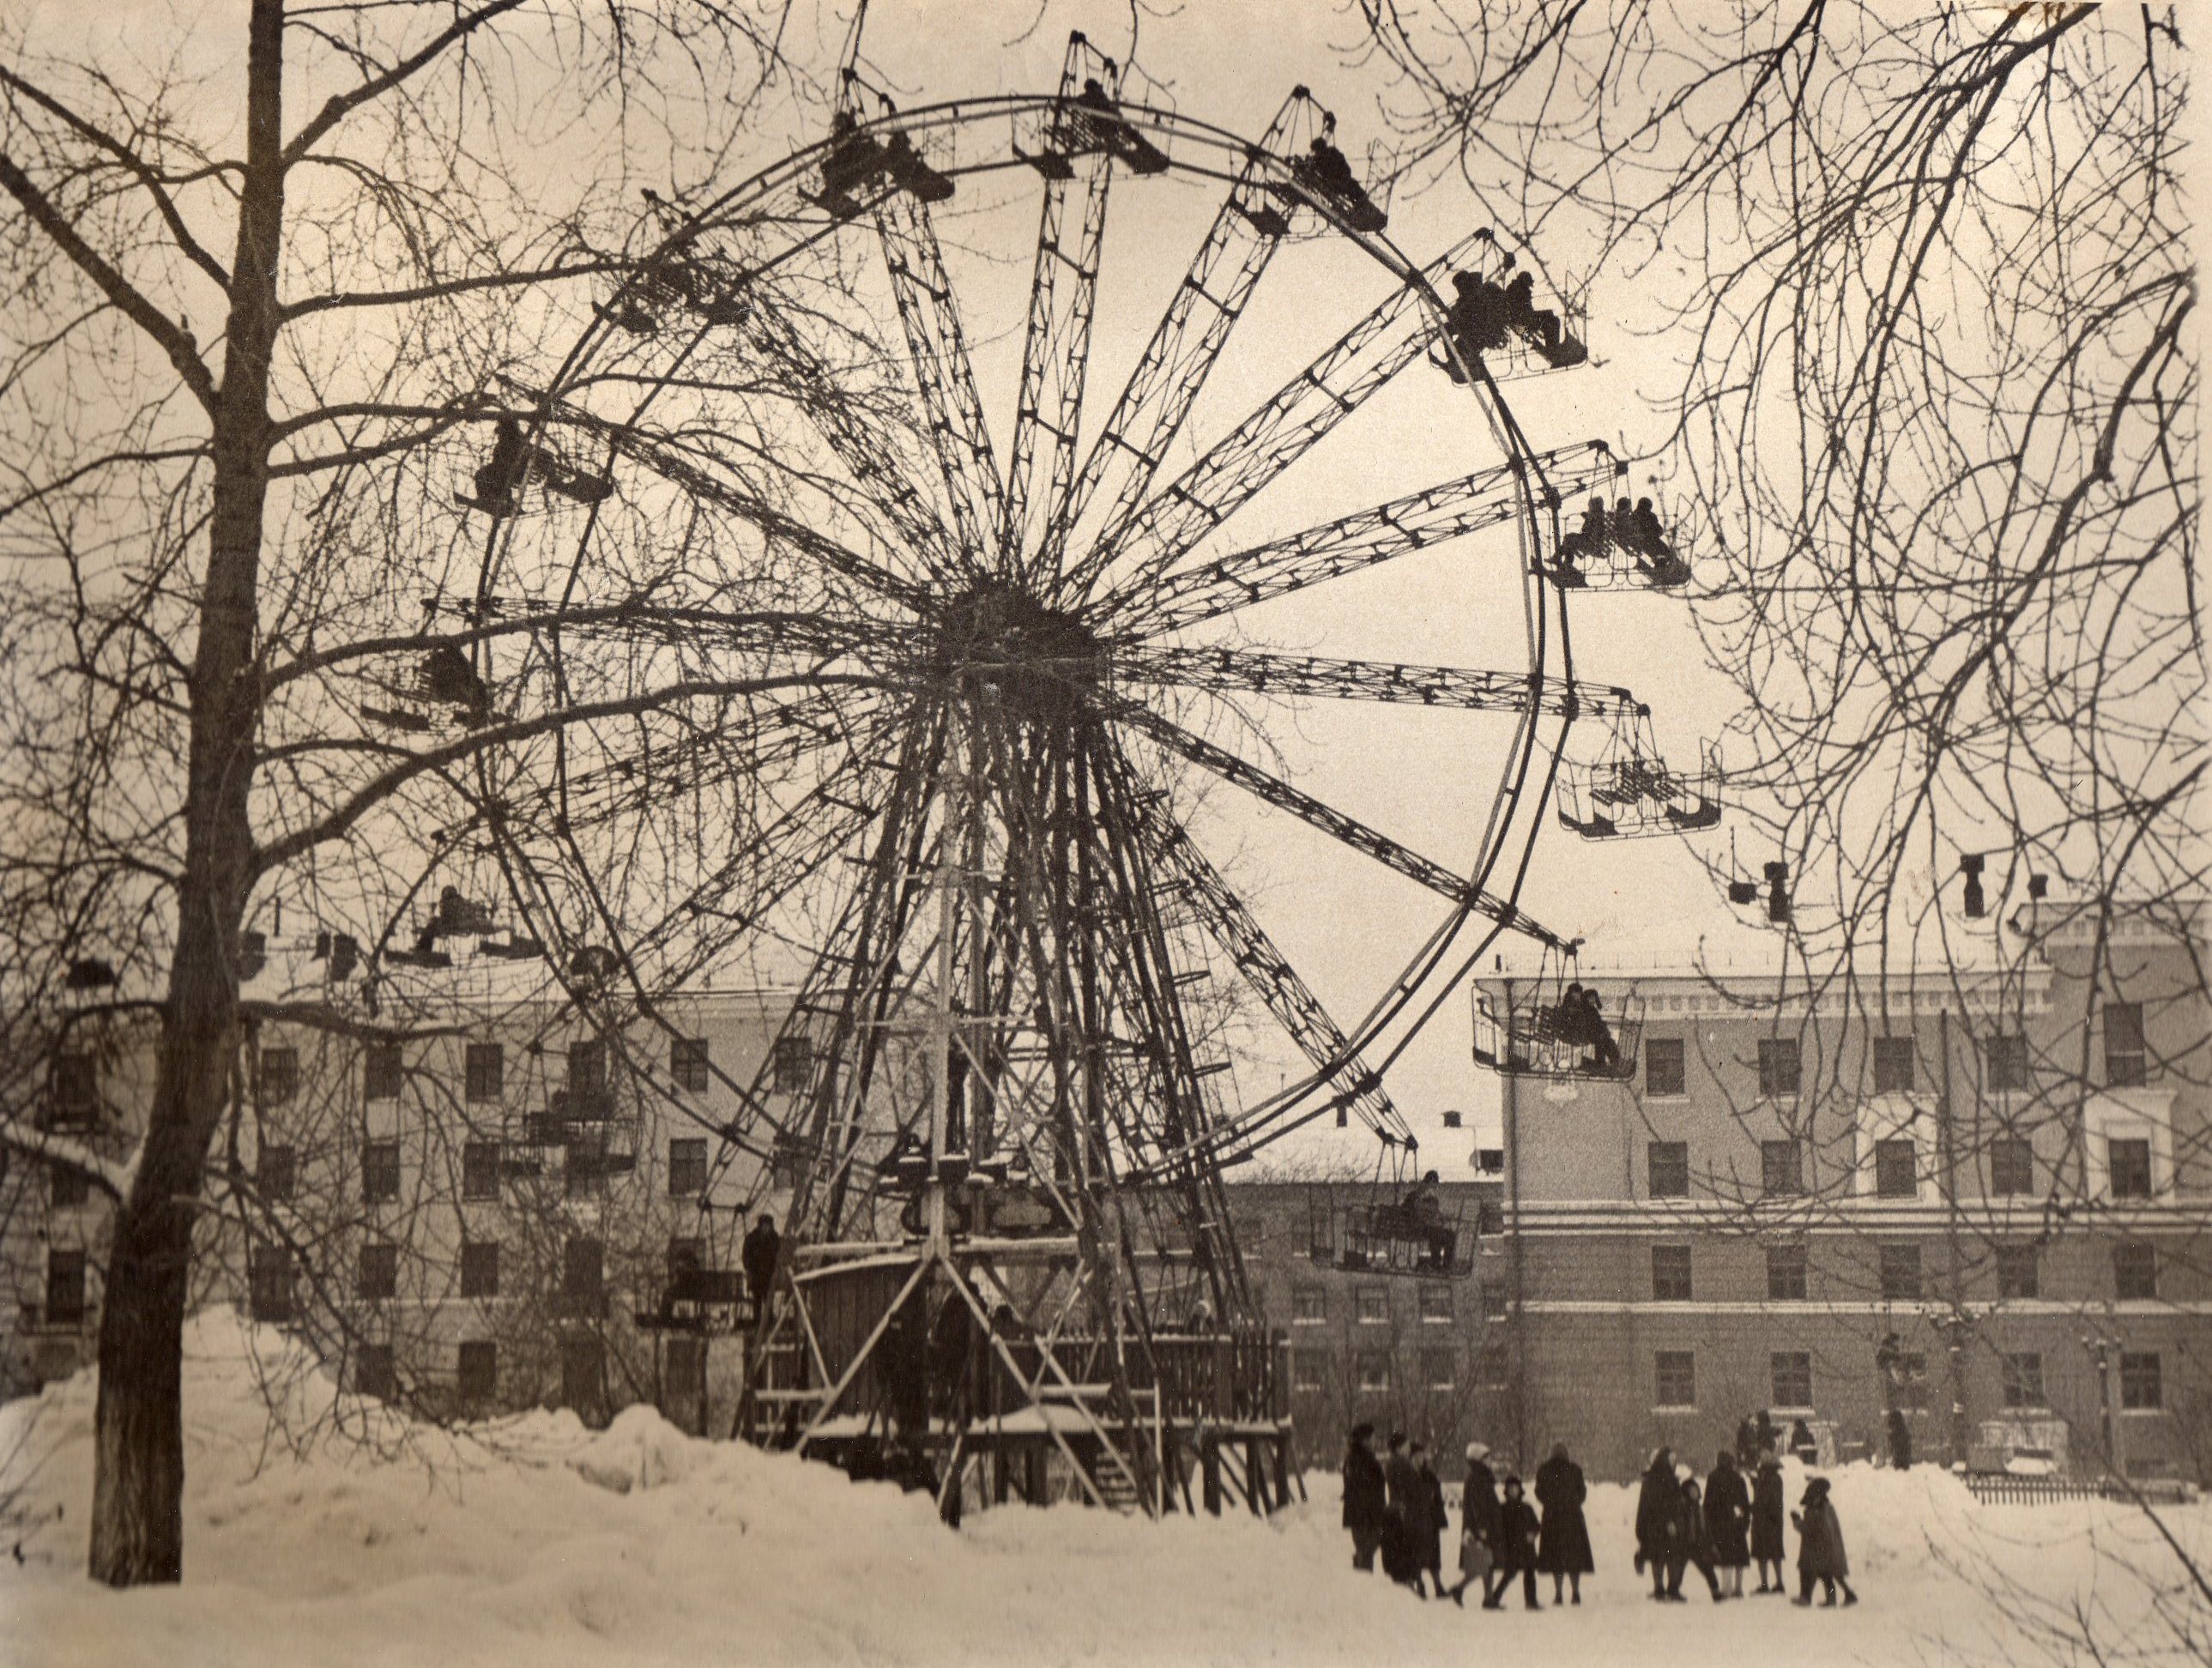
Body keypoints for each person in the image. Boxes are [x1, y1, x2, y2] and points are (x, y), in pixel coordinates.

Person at [1535, 1441, 1593, 1605]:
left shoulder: (1544, 1470)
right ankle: (1575, 1592)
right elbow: (1582, 1493)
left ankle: (1558, 1593)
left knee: (1556, 1558)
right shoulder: (1575, 1470)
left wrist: (1551, 1503)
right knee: (1574, 1558)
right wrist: (1571, 1502)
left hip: (1552, 1519)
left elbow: (1539, 1492)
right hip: (1572, 1518)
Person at [1791, 1477, 1857, 1607]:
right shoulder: (1827, 1508)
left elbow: (1808, 1529)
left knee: (1807, 1571)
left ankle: (1805, 1597)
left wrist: (1796, 1521)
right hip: (1829, 1547)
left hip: (1815, 1548)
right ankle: (1840, 1597)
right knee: (1828, 1574)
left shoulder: (1816, 1511)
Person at [1451, 1442, 1502, 1607]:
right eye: (1487, 1457)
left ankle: (1487, 1598)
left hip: (1483, 1525)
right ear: (1479, 1459)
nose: (1490, 1460)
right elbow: (1478, 1505)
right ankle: (1461, 1589)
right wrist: (1482, 1528)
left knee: (1486, 1562)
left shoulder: (1480, 1476)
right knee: (1484, 1562)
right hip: (1482, 1527)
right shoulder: (1478, 1478)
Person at [1635, 1447, 1685, 1602]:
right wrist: (1671, 1520)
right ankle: (1672, 1589)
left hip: (1653, 1525)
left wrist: (1641, 1526)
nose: (1674, 1463)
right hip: (1668, 1524)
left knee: (1657, 1557)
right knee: (1673, 1556)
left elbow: (1644, 1504)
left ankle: (1659, 1588)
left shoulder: (1650, 1479)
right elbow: (1670, 1502)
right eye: (1672, 1460)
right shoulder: (1668, 1479)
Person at [1490, 1474, 1543, 1610]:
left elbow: (1536, 1525)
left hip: (1527, 1547)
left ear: (1520, 1489)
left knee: (1530, 1573)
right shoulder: (1502, 1509)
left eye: (1516, 1487)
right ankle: (1494, 1598)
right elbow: (1497, 1529)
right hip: (1511, 1547)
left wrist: (1533, 1533)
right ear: (1506, 1490)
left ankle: (1531, 1602)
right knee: (1509, 1574)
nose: (1513, 1490)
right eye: (1510, 1488)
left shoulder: (1527, 1507)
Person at [1704, 1449, 1752, 1598]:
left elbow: (1708, 1503)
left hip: (1719, 1523)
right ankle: (1738, 1588)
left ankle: (1727, 1588)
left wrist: (1708, 1522)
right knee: (1739, 1555)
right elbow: (1745, 1502)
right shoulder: (1738, 1478)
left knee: (1725, 1556)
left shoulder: (1713, 1477)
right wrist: (1745, 1520)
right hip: (1736, 1521)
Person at [1342, 1423, 1387, 1573]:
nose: (1375, 1441)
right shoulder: (1363, 1458)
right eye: (1373, 1437)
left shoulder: (1353, 1457)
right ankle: (1363, 1578)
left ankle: (1360, 1570)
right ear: (1365, 1439)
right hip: (1367, 1512)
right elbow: (1366, 1486)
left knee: (1366, 1547)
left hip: (1359, 1511)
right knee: (1368, 1547)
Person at [1381, 1432, 1422, 1592]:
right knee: (1406, 1549)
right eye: (1406, 1445)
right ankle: (1407, 1584)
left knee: (1397, 1549)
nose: (1409, 1448)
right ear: (1399, 1447)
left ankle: (1403, 1582)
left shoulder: (1390, 1462)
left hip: (1394, 1508)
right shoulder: (1402, 1463)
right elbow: (1413, 1486)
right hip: (1404, 1510)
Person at [1411, 1441, 1450, 1598]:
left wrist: (1439, 1516)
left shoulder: (1428, 1475)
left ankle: (1437, 1584)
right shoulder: (1410, 1475)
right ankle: (1419, 1583)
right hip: (1417, 1520)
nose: (1421, 1459)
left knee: (1434, 1554)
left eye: (1422, 1456)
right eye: (1417, 1456)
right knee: (1417, 1554)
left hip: (1431, 1519)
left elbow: (1437, 1496)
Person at [1677, 1474, 1724, 1602]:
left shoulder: (1700, 1509)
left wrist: (1710, 1543)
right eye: (1692, 1491)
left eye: (1696, 1490)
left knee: (1708, 1568)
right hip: (1684, 1545)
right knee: (1678, 1569)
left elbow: (1706, 1528)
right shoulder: (1682, 1508)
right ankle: (1673, 1590)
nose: (1695, 1493)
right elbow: (1680, 1526)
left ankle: (1716, 1591)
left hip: (1699, 1545)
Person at [1750, 1451, 1787, 1594]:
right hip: (1775, 1520)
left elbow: (1763, 1499)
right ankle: (1779, 1582)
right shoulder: (1776, 1479)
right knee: (1775, 1552)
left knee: (1762, 1553)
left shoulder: (1766, 1479)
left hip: (1764, 1520)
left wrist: (1753, 1507)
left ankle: (1765, 1583)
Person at [741, 1212, 782, 1314]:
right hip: (756, 1274)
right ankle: (757, 1321)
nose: (766, 1228)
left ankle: (768, 1322)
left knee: (768, 1300)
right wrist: (749, 1268)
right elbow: (746, 1255)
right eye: (764, 1225)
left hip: (769, 1274)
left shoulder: (774, 1238)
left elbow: (779, 1254)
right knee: (757, 1299)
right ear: (760, 1226)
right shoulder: (752, 1238)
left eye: (768, 1226)